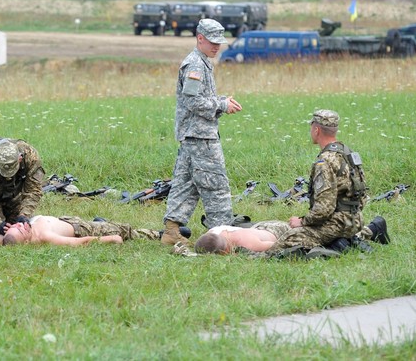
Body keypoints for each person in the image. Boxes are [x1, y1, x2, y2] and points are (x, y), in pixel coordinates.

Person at [161, 18, 243, 245]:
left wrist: (221, 100)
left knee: (186, 183)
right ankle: (222, 235)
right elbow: (192, 101)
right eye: (212, 41)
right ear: (200, 38)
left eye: (220, 42)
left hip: (195, 135)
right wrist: (221, 105)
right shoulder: (195, 65)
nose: (217, 46)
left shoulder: (202, 61)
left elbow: (199, 98)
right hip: (200, 136)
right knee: (215, 184)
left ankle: (171, 230)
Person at [266, 109, 368, 254]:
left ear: (316, 130)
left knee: (287, 240)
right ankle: (344, 241)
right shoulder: (348, 153)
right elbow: (362, 194)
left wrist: (302, 222)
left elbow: (323, 209)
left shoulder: (325, 161)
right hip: (356, 220)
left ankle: (336, 244)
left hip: (337, 225)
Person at [195, 217, 390, 255]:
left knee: (315, 237)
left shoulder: (247, 242)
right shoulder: (214, 233)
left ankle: (372, 229)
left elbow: (275, 246)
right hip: (261, 225)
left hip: (276, 231)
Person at [0, 210, 169, 246]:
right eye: (21, 230)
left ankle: (100, 222)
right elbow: (79, 242)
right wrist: (111, 239)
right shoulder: (44, 236)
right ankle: (158, 235)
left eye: (16, 225)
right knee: (124, 230)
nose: (21, 225)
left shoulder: (10, 238)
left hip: (63, 219)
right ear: (26, 241)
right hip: (80, 228)